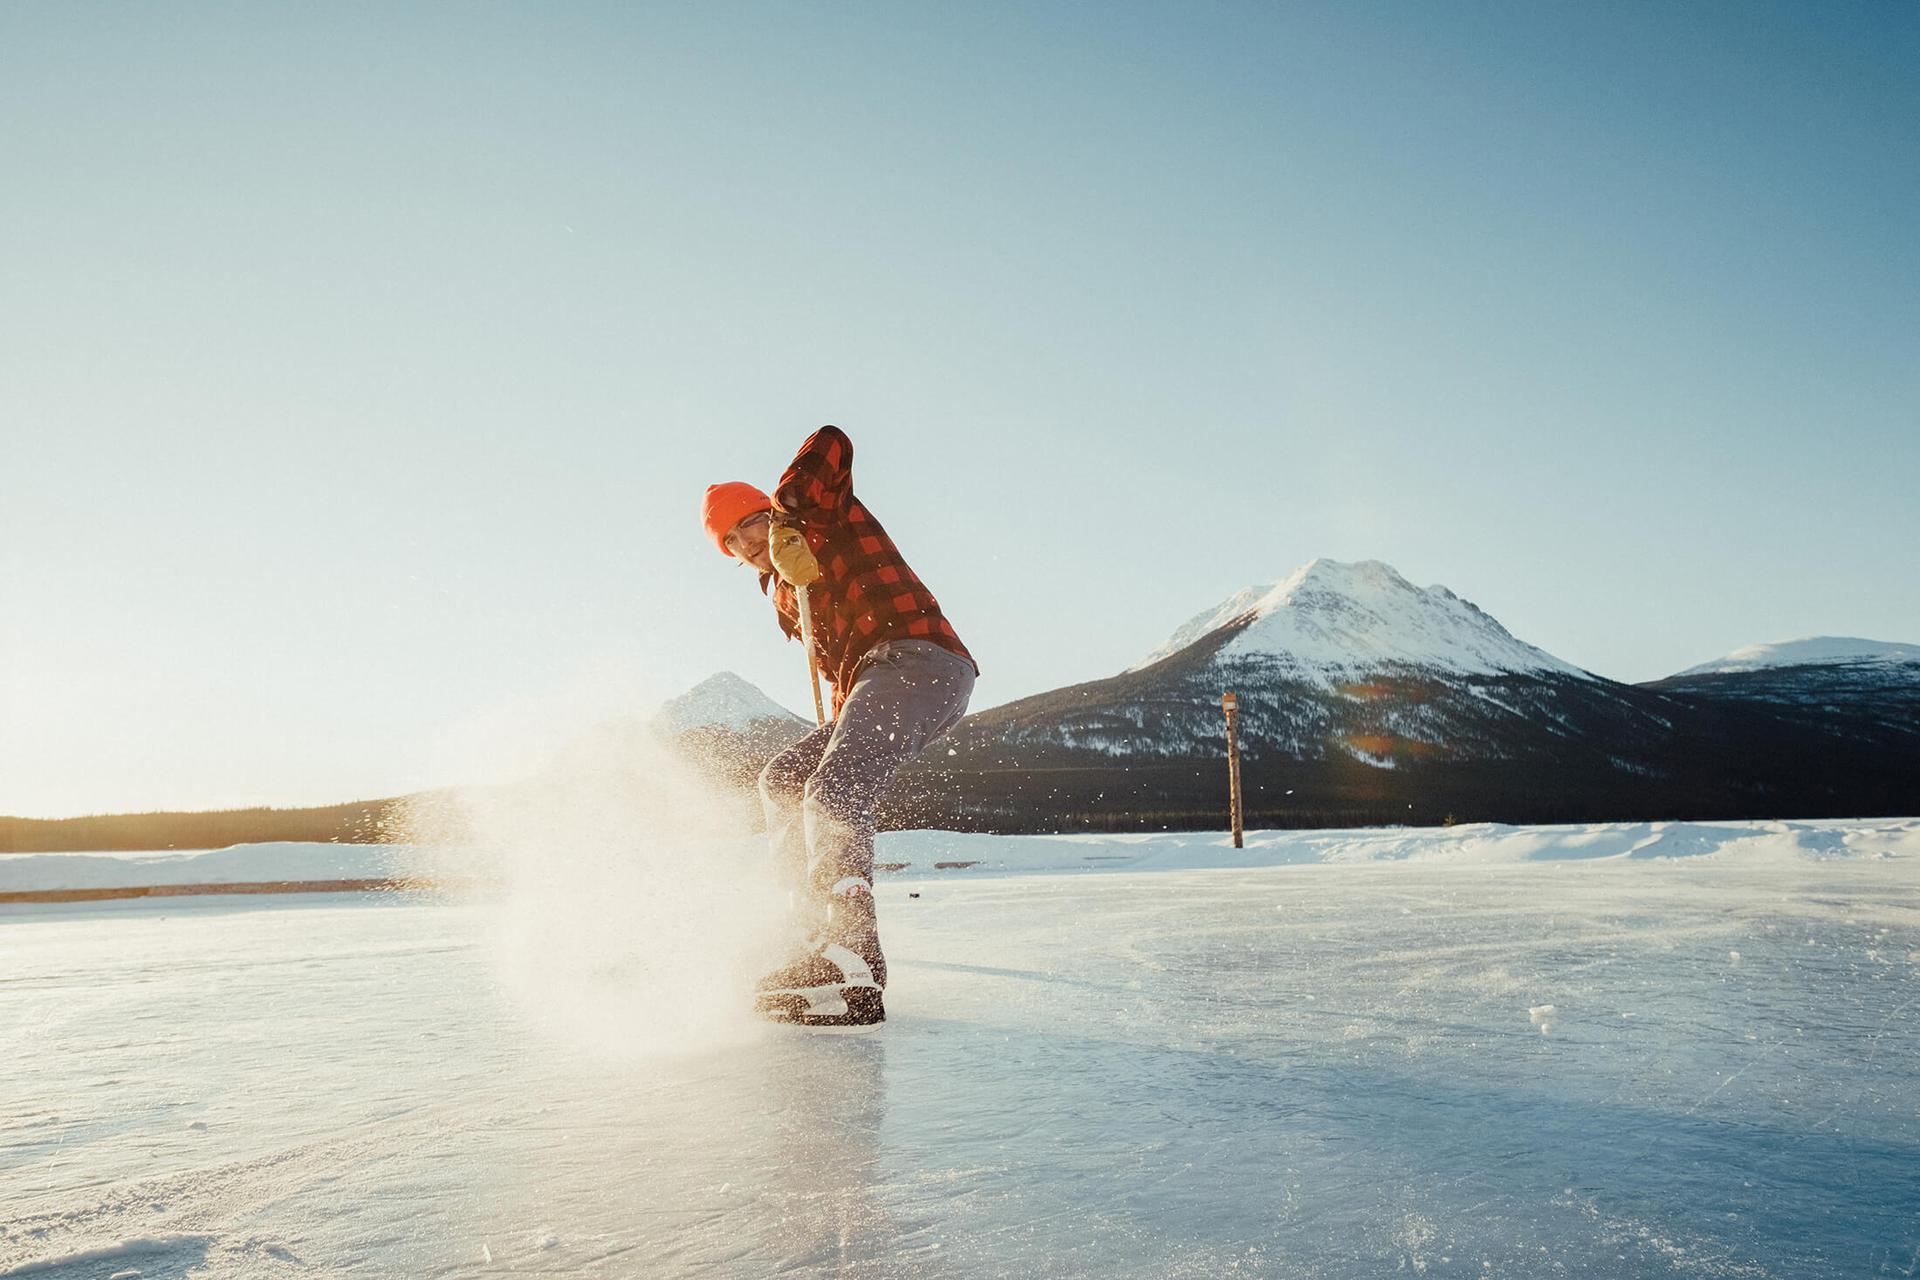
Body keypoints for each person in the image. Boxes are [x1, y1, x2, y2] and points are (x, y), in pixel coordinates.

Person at [701, 426, 977, 1026]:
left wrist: (788, 514)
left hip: (920, 658)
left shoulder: (820, 519)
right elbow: (840, 663)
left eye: (748, 524)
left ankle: (852, 946)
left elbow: (832, 441)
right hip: (874, 681)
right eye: (730, 542)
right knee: (785, 777)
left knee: (833, 788)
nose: (745, 542)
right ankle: (812, 933)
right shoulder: (783, 589)